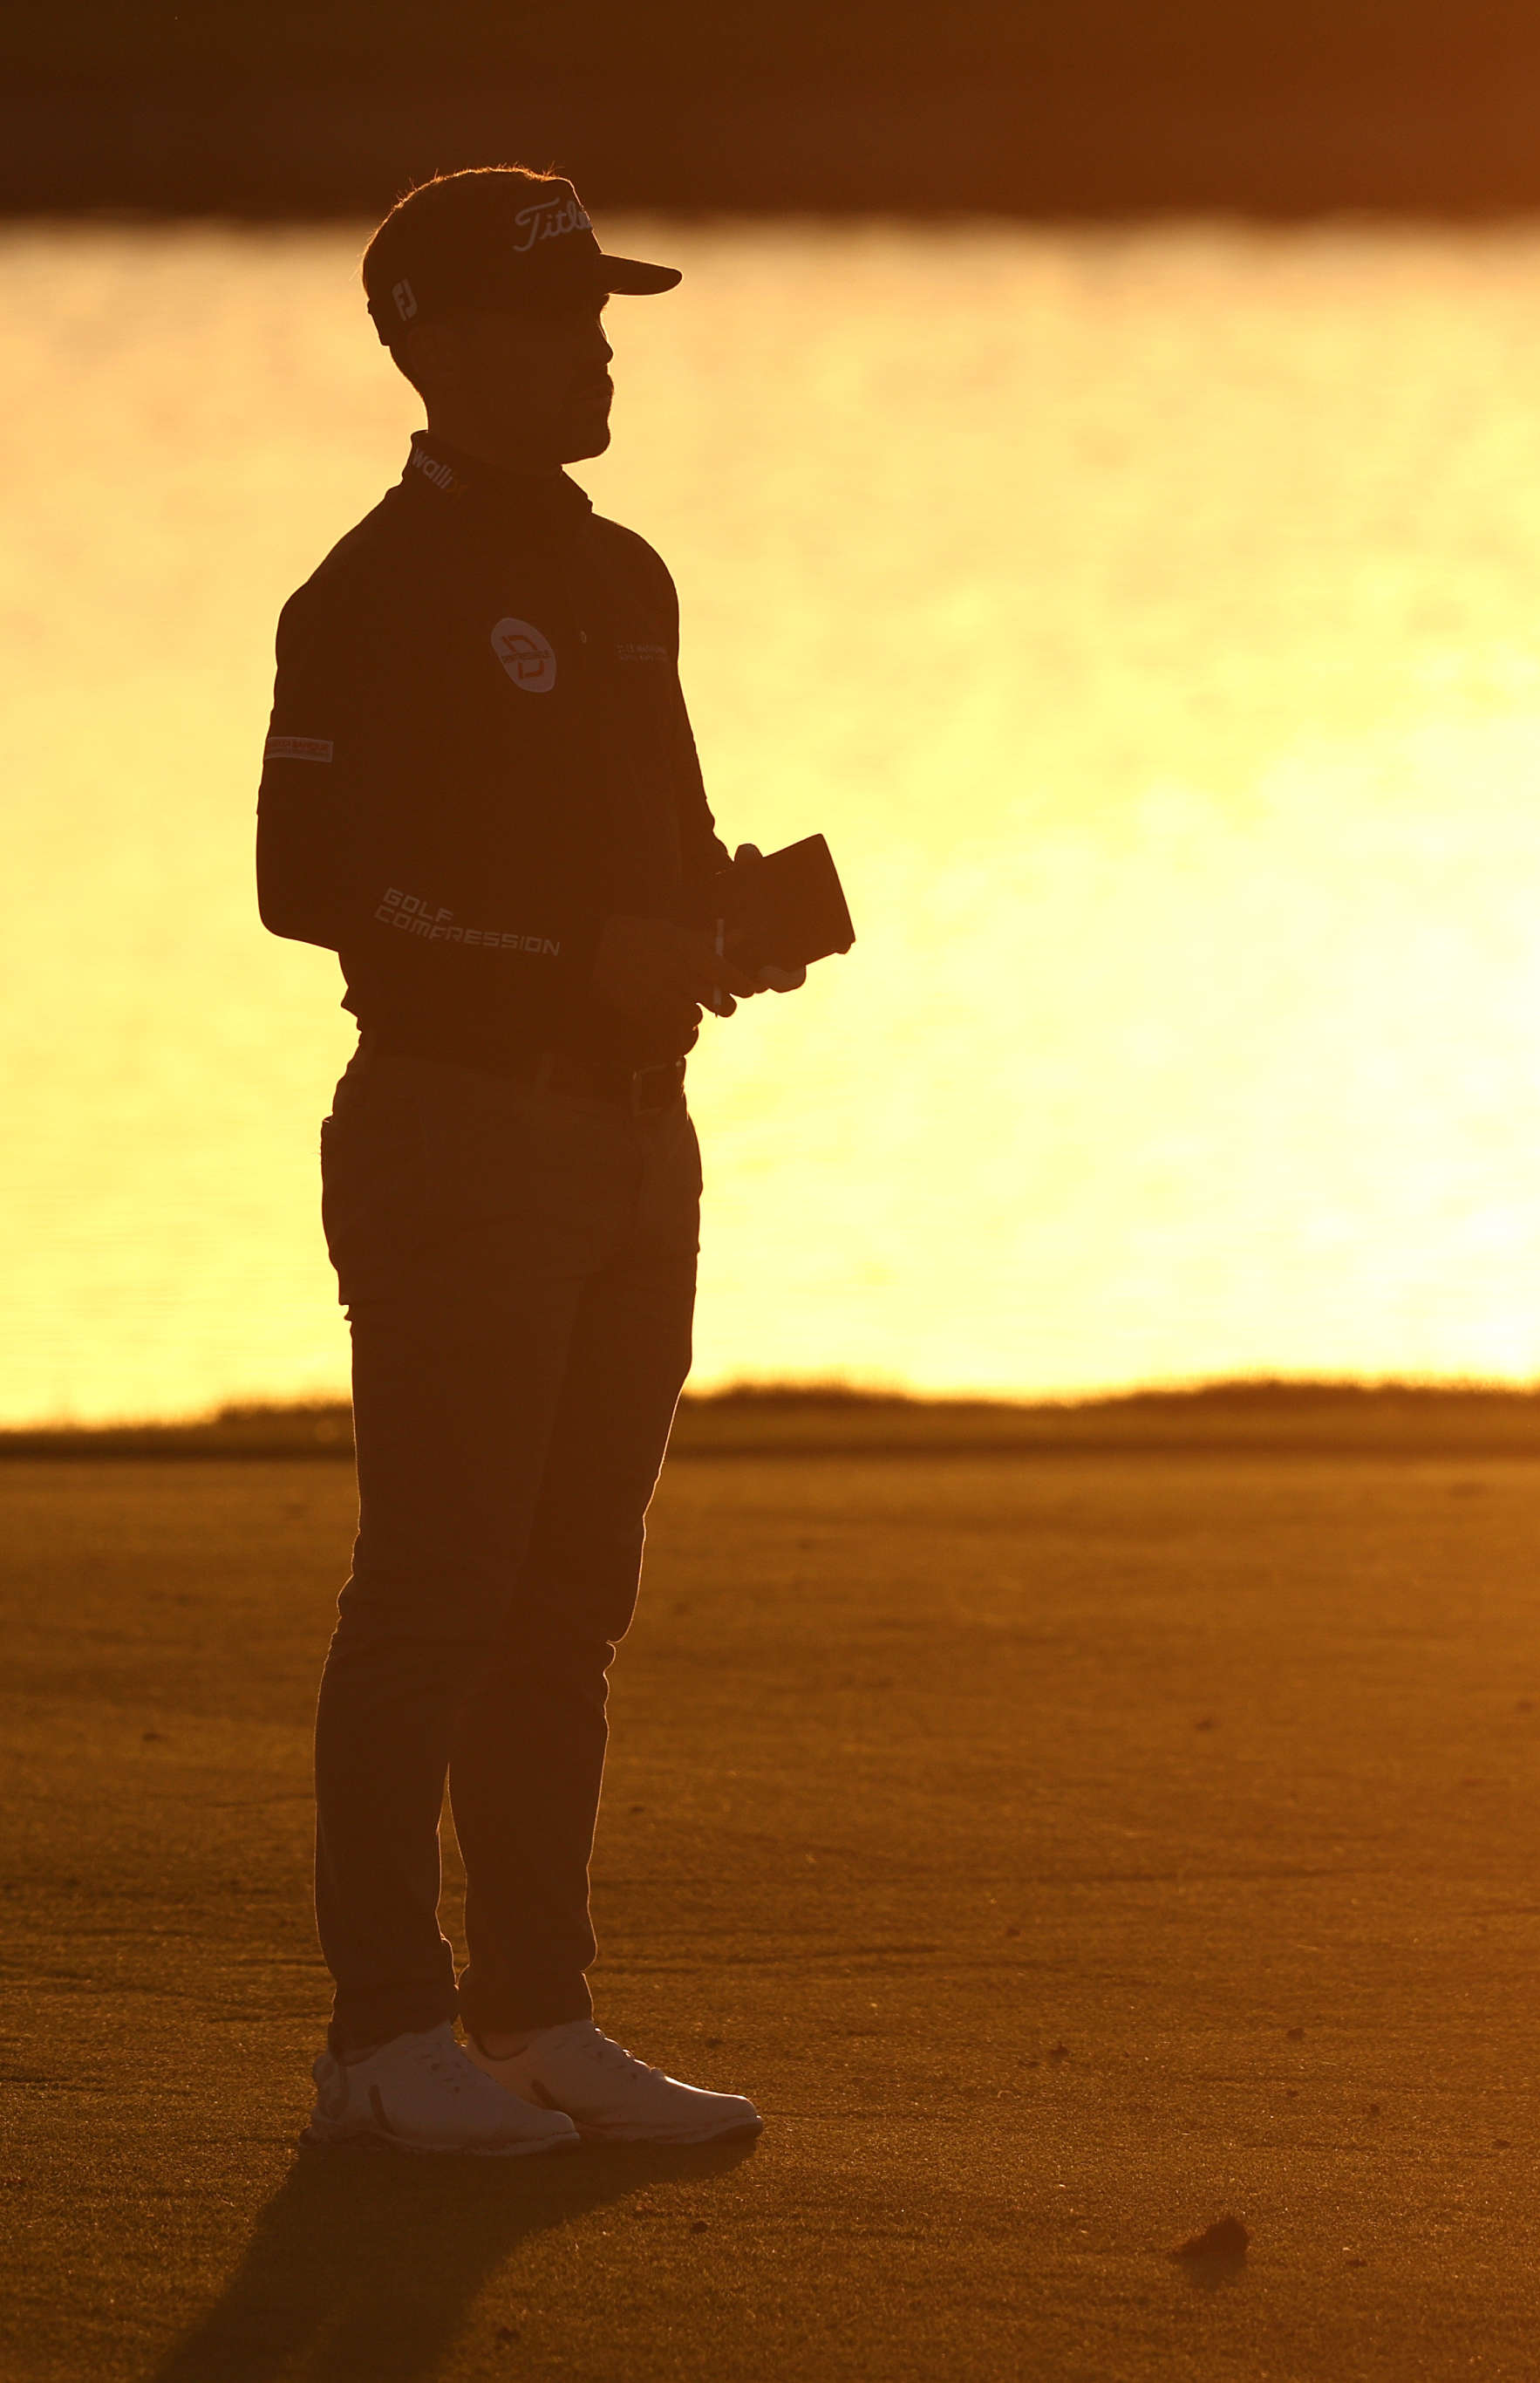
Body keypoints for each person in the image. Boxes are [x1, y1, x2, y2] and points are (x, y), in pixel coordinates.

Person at [257, 166, 796, 2155]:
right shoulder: (371, 591)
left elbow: (641, 856)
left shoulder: (623, 574)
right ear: (438, 341)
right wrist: (580, 953)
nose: (597, 349)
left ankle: (536, 2013)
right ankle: (380, 2040)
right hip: (457, 1131)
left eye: (602, 315)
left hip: (633, 1137)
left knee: (567, 1604)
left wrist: (712, 924)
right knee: (438, 1592)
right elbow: (308, 884)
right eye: (561, 318)